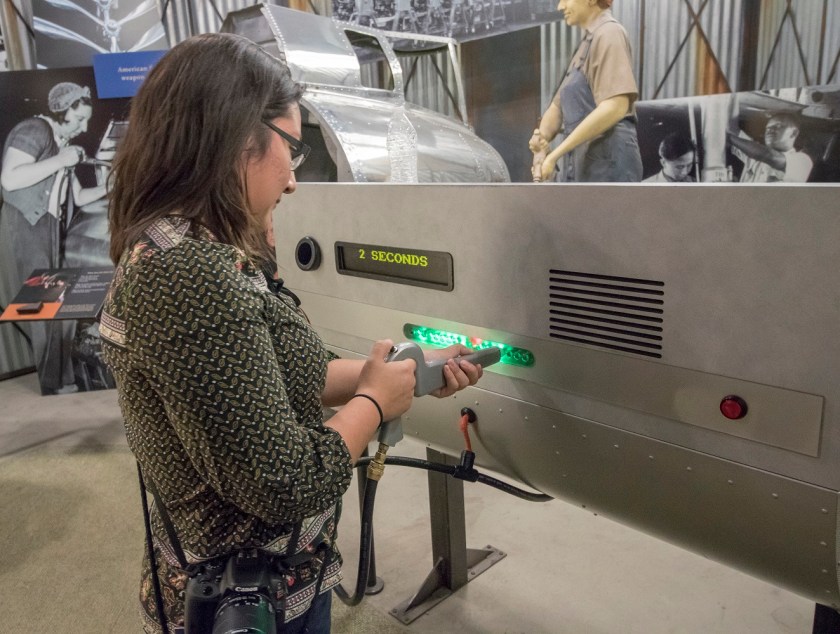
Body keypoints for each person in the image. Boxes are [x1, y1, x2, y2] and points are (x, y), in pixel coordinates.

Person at [100, 33, 484, 634]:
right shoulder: (186, 273)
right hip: (244, 604)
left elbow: (293, 375)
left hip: (288, 582)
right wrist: (375, 402)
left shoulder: (200, 251)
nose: (293, 181)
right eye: (292, 150)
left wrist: (402, 371)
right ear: (234, 136)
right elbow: (285, 483)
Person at [0, 81, 107, 394]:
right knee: (41, 310)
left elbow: (79, 196)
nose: (83, 127)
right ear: (61, 112)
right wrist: (61, 160)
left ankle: (66, 379)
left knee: (64, 309)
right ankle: (53, 384)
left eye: (86, 120)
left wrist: (112, 188)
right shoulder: (34, 129)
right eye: (78, 119)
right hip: (30, 227)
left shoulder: (61, 142)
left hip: (53, 229)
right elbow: (9, 178)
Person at [529, 0, 642, 182]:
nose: (560, 6)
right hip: (587, 165)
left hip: (609, 167)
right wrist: (541, 140)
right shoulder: (586, 44)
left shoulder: (609, 33)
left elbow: (615, 106)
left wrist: (555, 154)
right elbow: (557, 107)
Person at [727, 112, 813, 183]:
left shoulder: (802, 161)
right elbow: (732, 129)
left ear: (794, 133)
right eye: (767, 128)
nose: (769, 130)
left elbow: (770, 156)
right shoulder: (753, 152)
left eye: (778, 126)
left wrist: (728, 137)